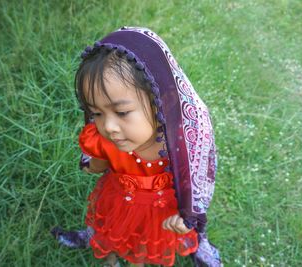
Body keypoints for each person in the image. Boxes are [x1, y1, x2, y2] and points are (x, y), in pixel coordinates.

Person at [52, 27, 221, 267]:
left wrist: (186, 216)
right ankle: (108, 257)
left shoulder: (180, 146)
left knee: (141, 248)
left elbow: (194, 186)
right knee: (109, 230)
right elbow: (97, 166)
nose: (108, 126)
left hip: (158, 215)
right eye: (96, 113)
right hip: (117, 202)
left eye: (122, 112)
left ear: (164, 100)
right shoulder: (106, 139)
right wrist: (96, 161)